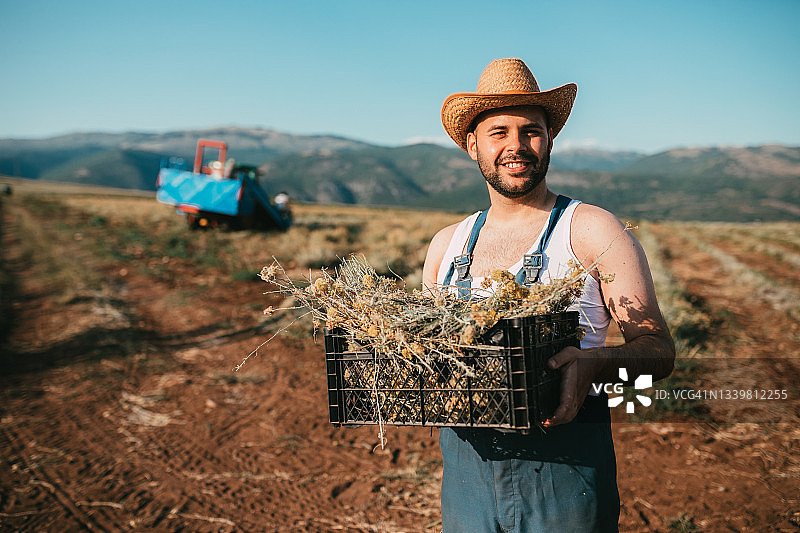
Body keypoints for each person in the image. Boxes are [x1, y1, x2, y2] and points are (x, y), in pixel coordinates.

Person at [422, 58, 675, 532]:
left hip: (567, 467)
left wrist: (594, 364)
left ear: (550, 138)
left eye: (531, 131)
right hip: (466, 471)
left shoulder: (591, 230)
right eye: (499, 132)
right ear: (472, 144)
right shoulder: (446, 245)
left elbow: (658, 351)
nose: (516, 146)